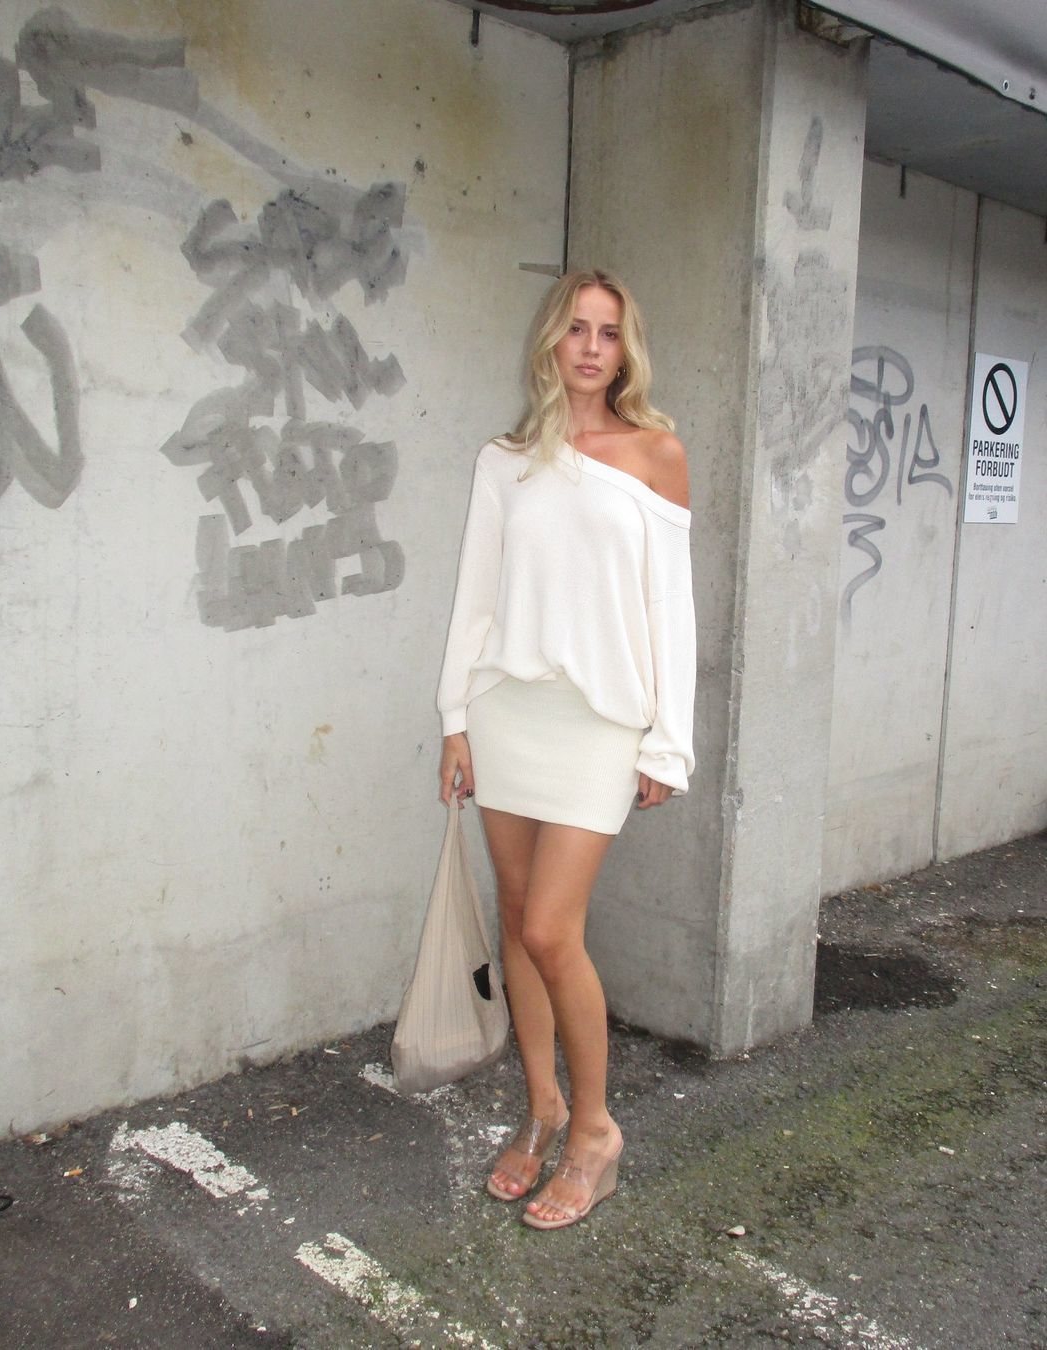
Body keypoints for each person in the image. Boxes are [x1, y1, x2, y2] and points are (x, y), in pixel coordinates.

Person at [436, 268, 696, 1231]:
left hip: (598, 723)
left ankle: (595, 1131)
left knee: (551, 930)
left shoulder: (656, 454)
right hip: (508, 710)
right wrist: (454, 717)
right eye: (577, 328)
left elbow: (672, 610)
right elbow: (476, 594)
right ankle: (542, 1107)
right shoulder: (505, 461)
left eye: (609, 332)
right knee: (517, 918)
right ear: (552, 340)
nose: (591, 347)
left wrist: (668, 743)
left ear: (626, 350)